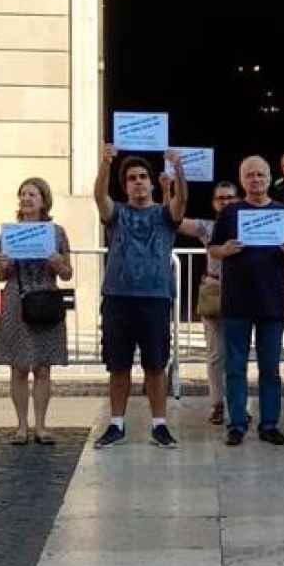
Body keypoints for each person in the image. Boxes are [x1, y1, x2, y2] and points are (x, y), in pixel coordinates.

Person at [88, 147, 185, 448]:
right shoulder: (116, 213)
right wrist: (105, 162)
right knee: (118, 365)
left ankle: (160, 424)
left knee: (156, 365)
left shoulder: (164, 214)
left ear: (152, 183)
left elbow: (181, 202)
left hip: (155, 298)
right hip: (118, 297)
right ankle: (116, 423)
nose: (139, 182)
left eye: (143, 177)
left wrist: (179, 170)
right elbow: (99, 197)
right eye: (132, 178)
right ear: (125, 185)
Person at [210, 155, 284, 446]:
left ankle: (269, 423)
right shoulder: (230, 212)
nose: (256, 180)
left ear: (269, 176)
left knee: (270, 367)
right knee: (235, 366)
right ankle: (237, 423)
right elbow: (213, 248)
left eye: (261, 174)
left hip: (272, 300)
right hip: (236, 300)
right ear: (242, 180)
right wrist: (224, 250)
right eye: (250, 175)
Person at [0, 177, 73, 446]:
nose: (26, 199)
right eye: (23, 194)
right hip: (17, 299)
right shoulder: (9, 233)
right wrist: (3, 265)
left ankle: (41, 425)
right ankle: (21, 426)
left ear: (44, 201)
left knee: (42, 367)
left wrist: (58, 262)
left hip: (45, 298)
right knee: (18, 367)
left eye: (33, 194)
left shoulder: (57, 233)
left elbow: (67, 273)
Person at [180, 181, 237, 425]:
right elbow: (176, 220)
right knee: (216, 353)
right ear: (214, 203)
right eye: (220, 198)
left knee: (240, 353)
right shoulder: (208, 227)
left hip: (243, 291)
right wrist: (170, 189)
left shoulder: (250, 225)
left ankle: (239, 404)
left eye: (230, 198)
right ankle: (217, 404)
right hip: (215, 289)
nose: (225, 202)